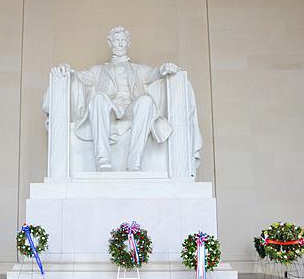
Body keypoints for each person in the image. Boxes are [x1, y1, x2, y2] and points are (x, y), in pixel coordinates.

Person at [48, 25, 201, 172]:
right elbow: (78, 76)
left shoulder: (138, 70)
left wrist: (165, 68)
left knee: (146, 101)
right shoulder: (98, 70)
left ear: (128, 43)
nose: (120, 43)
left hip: (130, 109)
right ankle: (102, 160)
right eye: (116, 40)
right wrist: (66, 69)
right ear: (110, 43)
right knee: (98, 98)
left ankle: (134, 163)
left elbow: (155, 73)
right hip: (109, 109)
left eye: (123, 40)